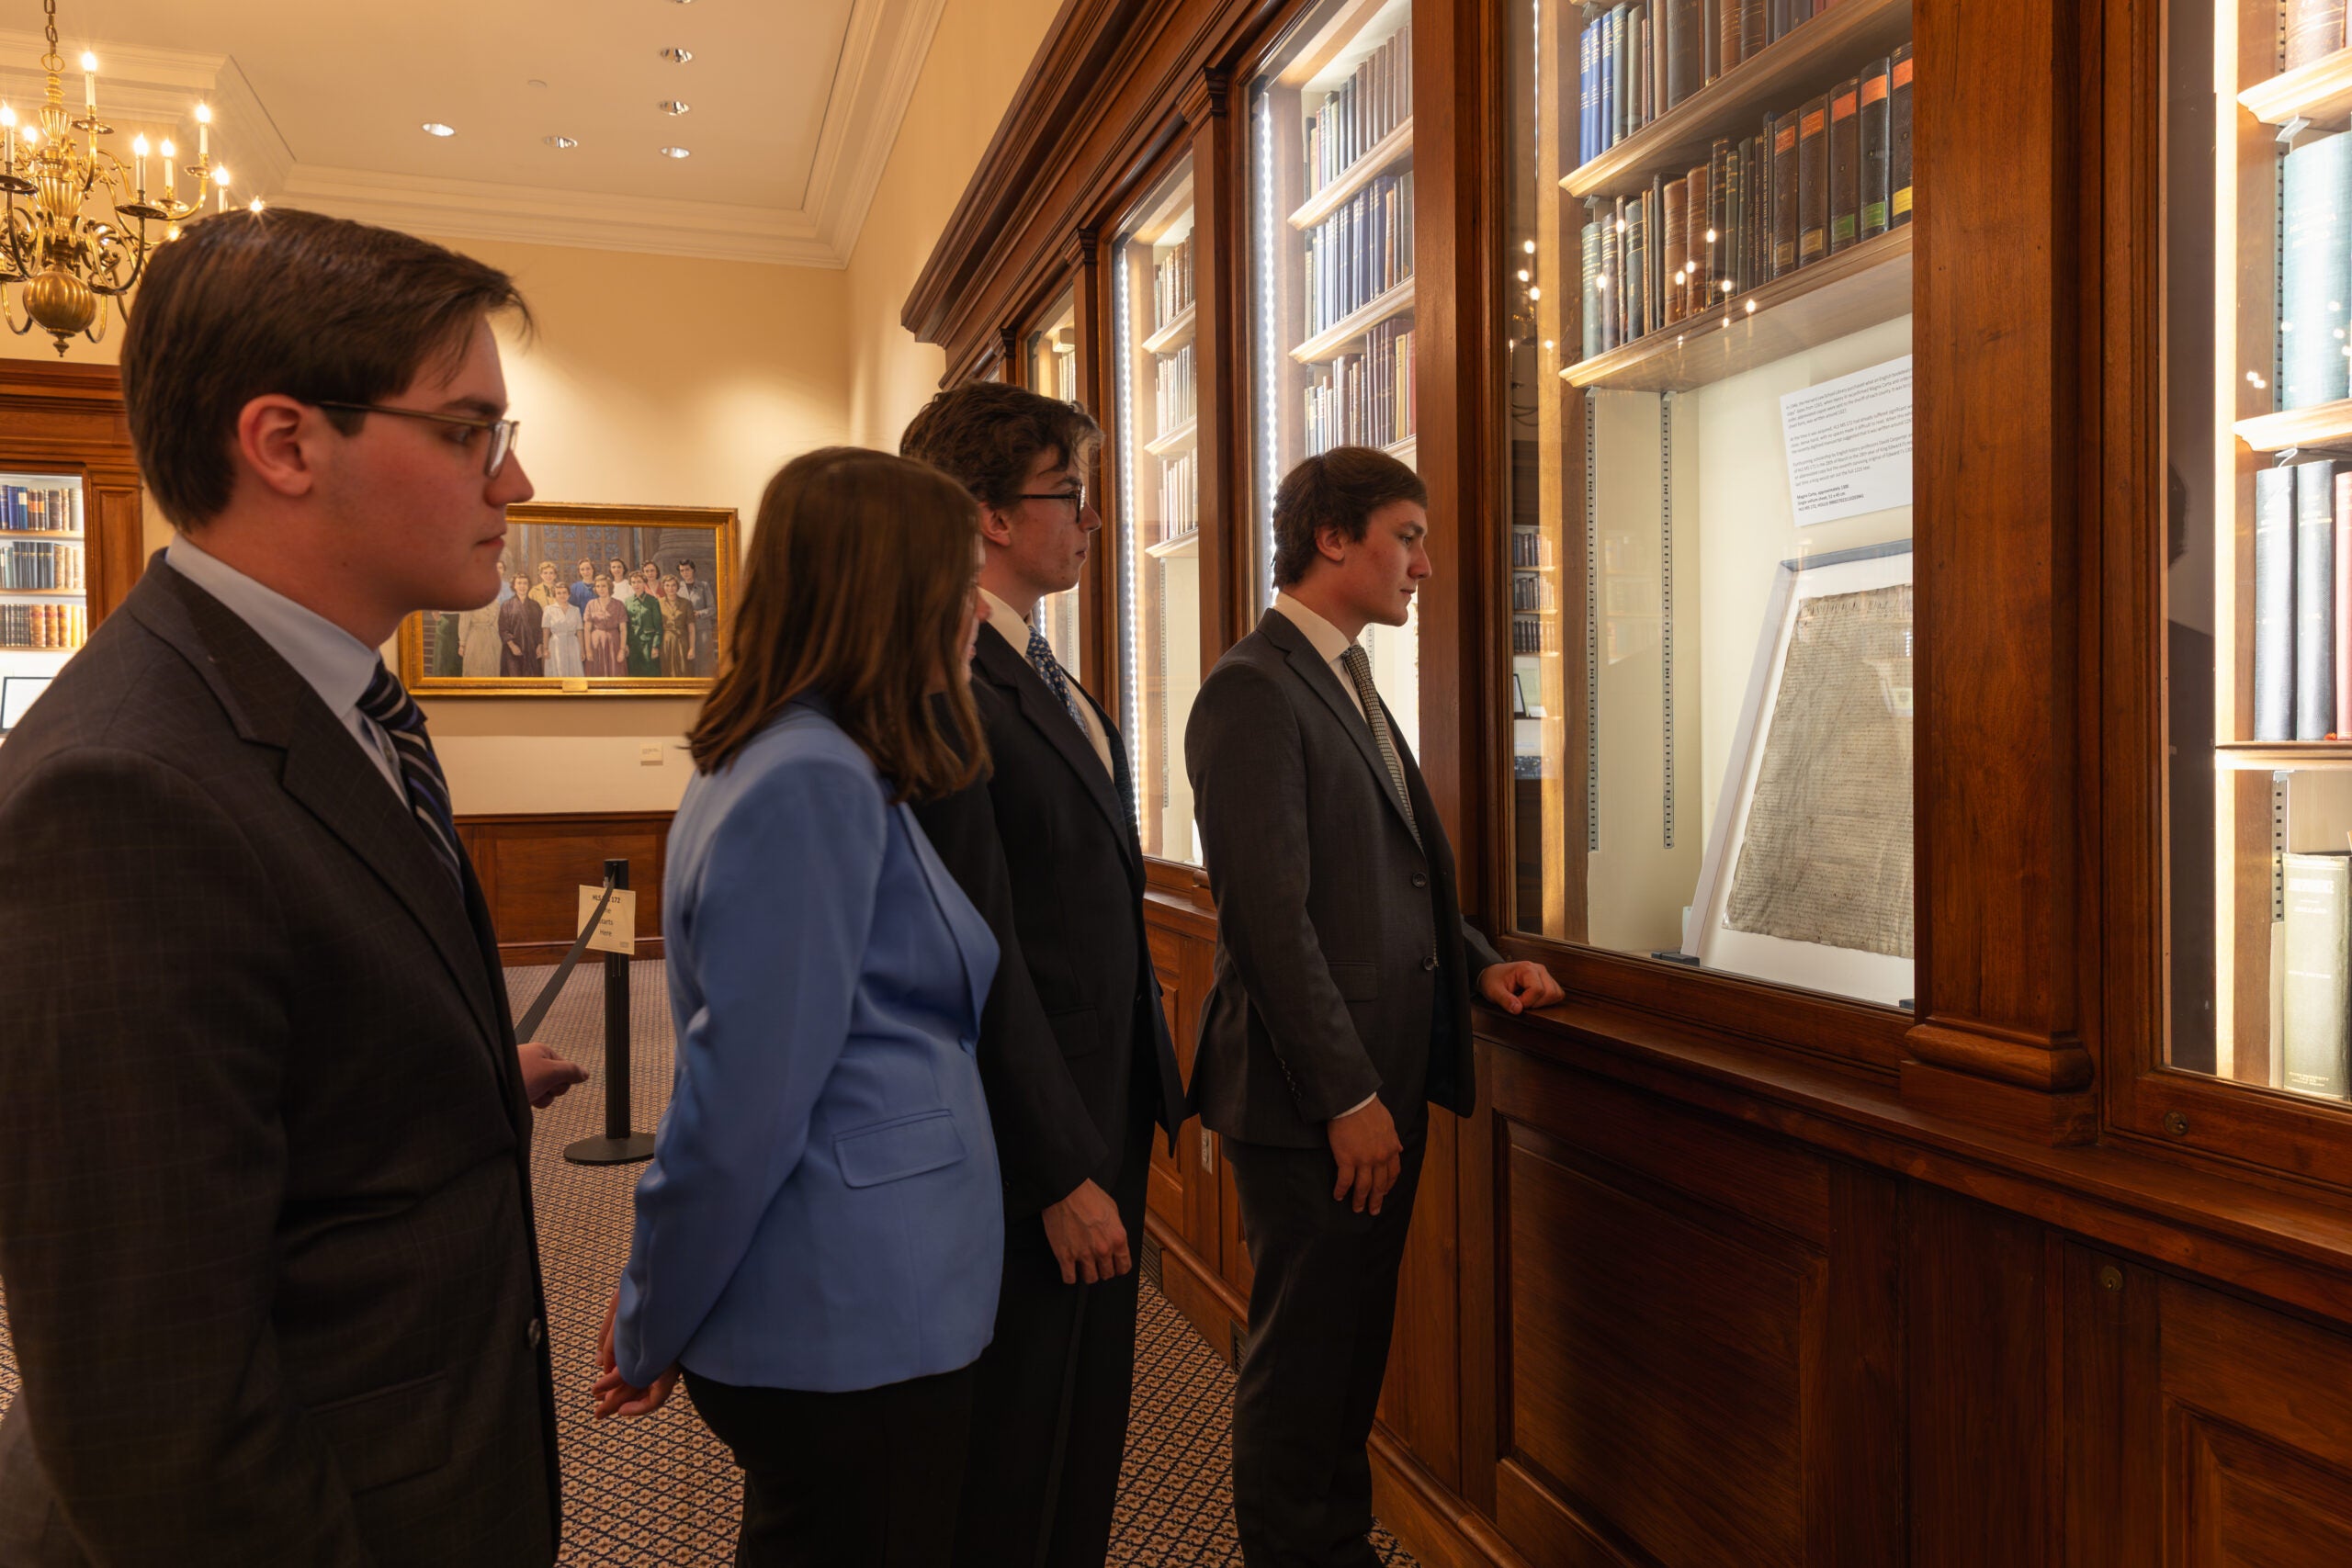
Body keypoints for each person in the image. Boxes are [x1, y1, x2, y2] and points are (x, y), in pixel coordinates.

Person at [0, 207, 584, 1566]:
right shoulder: (124, 789)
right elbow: (157, 1407)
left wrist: (463, 1067)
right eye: (469, 430)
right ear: (284, 443)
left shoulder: (341, 702)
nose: (518, 483)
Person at [593, 447, 1004, 1568]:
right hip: (848, 1314)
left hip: (868, 1296)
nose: (976, 607)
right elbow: (740, 1111)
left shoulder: (812, 755)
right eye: (956, 577)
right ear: (885, 592)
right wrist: (651, 1314)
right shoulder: (809, 777)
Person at [1185, 446, 1565, 1568]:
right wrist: (1348, 1094)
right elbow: (1268, 919)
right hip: (1315, 1100)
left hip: (1366, 1085)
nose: (1427, 564)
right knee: (1306, 1364)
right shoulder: (1255, 689)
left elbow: (1384, 875)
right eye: (1406, 535)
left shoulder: (1343, 677)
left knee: (1345, 1353)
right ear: (1332, 538)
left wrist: (1478, 960)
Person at [901, 381, 1185, 1568]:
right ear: (987, 518)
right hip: (1036, 1141)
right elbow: (983, 949)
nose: (1091, 520)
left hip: (1095, 1105)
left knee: (1081, 1420)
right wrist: (1060, 1161)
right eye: (1070, 494)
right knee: (1022, 1438)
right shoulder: (954, 677)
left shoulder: (1037, 664)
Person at [582, 573, 628, 676]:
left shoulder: (618, 604)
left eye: (603, 586)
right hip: (596, 644)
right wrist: (588, 650)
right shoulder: (591, 604)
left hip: (614, 643)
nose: (601, 589)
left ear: (609, 587)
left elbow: (623, 629)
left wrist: (621, 649)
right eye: (598, 586)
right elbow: (587, 629)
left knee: (615, 672)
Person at [675, 556, 715, 674]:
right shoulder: (677, 587)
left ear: (693, 570)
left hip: (702, 628)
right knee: (688, 661)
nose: (685, 573)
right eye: (682, 570)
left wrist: (699, 613)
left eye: (687, 569)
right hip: (685, 630)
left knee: (704, 660)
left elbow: (712, 609)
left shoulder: (703, 586)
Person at [501, 570, 544, 676]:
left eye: (525, 583)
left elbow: (541, 628)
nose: (522, 586)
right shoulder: (507, 605)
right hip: (514, 650)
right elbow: (503, 629)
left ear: (529, 586)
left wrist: (540, 645)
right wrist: (512, 646)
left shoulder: (535, 605)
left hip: (532, 649)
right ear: (514, 586)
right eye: (519, 583)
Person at [625, 567, 663, 676]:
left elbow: (658, 626)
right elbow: (626, 626)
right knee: (634, 674)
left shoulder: (652, 601)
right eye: (633, 582)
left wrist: (655, 646)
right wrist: (626, 644)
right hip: (633, 645)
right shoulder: (628, 602)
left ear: (644, 583)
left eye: (639, 582)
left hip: (648, 644)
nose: (636, 585)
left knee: (650, 673)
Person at [540, 582, 584, 678]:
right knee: (558, 670)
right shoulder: (548, 609)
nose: (562, 595)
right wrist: (546, 649)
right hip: (556, 644)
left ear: (569, 594)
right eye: (559, 593)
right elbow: (546, 631)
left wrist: (582, 650)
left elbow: (579, 631)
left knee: (574, 670)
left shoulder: (575, 610)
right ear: (554, 595)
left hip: (573, 644)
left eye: (564, 592)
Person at [657, 574, 693, 676]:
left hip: (683, 641)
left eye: (673, 585)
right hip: (666, 642)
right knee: (667, 670)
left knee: (684, 669)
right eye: (667, 585)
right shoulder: (658, 603)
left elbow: (691, 628)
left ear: (677, 586)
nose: (670, 588)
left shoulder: (686, 603)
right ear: (663, 587)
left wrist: (692, 648)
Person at [460, 594, 503, 675]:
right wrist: (462, 643)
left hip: (492, 638)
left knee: (491, 667)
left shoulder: (495, 602)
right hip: (475, 638)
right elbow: (464, 623)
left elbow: (496, 624)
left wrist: (497, 641)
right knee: (475, 667)